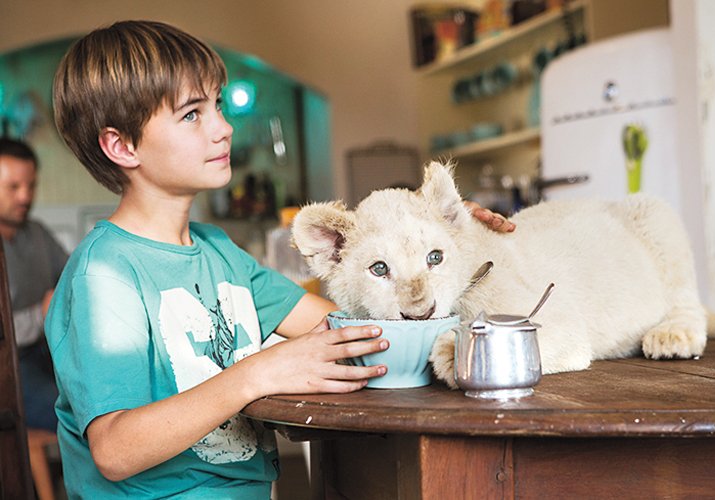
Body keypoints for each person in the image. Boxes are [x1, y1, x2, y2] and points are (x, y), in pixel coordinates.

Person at [47, 20, 516, 499]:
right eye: (192, 114)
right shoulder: (104, 275)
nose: (223, 128)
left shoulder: (218, 252)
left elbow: (359, 328)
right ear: (121, 146)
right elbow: (115, 450)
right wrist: (255, 374)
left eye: (218, 105)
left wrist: (442, 240)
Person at [0, 137, 67, 433]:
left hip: (46, 351)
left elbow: (68, 277)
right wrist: (41, 314)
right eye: (13, 187)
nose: (25, 196)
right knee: (72, 413)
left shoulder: (37, 233)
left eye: (31, 186)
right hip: (9, 368)